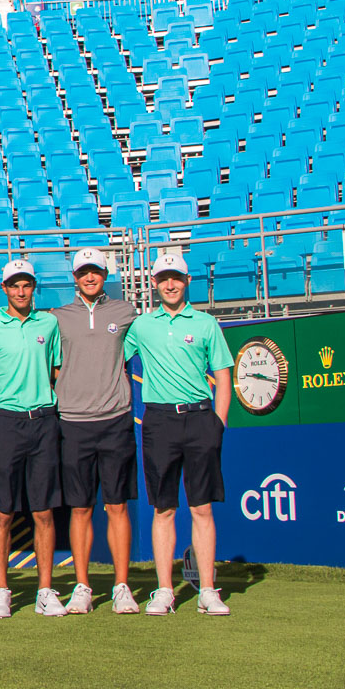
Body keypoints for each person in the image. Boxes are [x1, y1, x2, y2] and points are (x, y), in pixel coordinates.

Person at [123, 253, 234, 616]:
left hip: (200, 418)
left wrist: (218, 423)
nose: (169, 284)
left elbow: (223, 376)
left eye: (176, 278)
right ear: (154, 284)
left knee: (201, 508)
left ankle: (207, 590)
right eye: (163, 278)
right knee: (164, 508)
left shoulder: (205, 324)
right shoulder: (141, 326)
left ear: (187, 280)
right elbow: (110, 359)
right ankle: (165, 591)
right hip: (159, 421)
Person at [49, 248, 139, 615]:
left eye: (96, 271)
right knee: (80, 508)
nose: (90, 277)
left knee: (116, 506)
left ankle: (121, 586)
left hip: (116, 420)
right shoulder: (57, 318)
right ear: (74, 277)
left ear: (105, 275)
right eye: (84, 272)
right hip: (73, 422)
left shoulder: (125, 312)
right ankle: (82, 586)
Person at [0, 258, 66, 619]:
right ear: (5, 289)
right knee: (2, 512)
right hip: (7, 422)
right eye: (14, 285)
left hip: (44, 420)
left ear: (33, 287)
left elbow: (56, 369)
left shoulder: (49, 323)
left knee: (43, 511)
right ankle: (1, 590)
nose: (21, 291)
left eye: (26, 284)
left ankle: (45, 590)